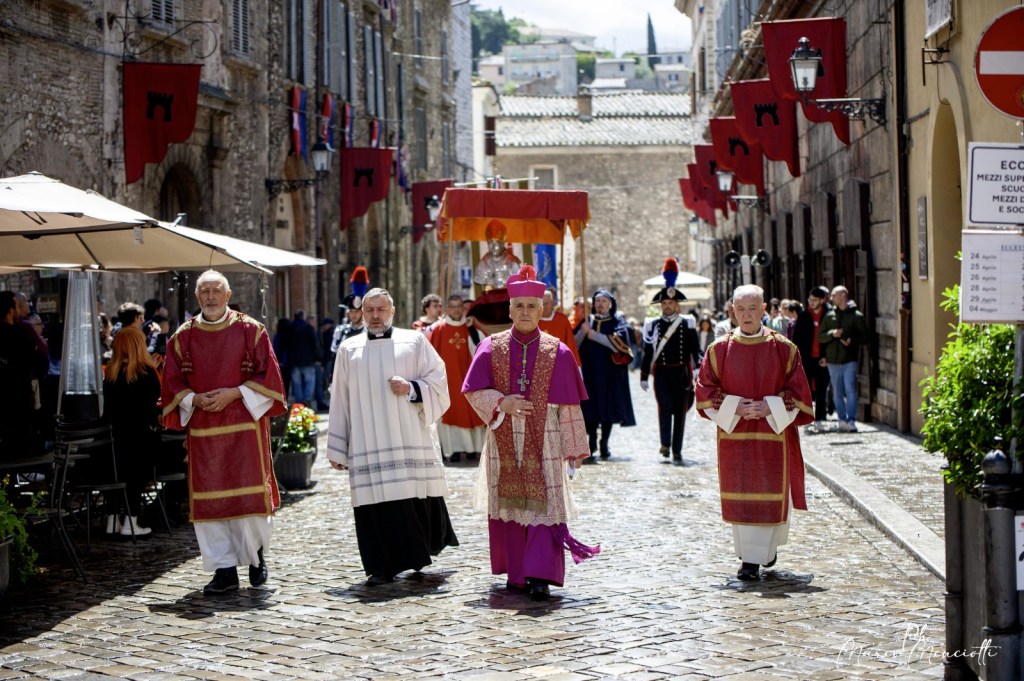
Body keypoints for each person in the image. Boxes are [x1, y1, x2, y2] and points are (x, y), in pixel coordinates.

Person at [462, 264, 600, 601]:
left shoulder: (560, 351)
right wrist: (501, 403)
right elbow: (473, 391)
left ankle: (540, 575)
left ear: (542, 310)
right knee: (510, 506)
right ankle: (517, 574)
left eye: (531, 307)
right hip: (503, 435)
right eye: (519, 306)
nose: (525, 312)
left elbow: (569, 405)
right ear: (510, 310)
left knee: (543, 505)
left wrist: (574, 448)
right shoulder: (490, 347)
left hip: (548, 437)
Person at [160, 270, 287, 594]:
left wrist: (235, 393)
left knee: (248, 500)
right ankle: (224, 570)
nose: (211, 297)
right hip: (205, 434)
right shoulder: (183, 337)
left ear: (228, 295)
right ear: (197, 296)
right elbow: (171, 381)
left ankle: (257, 559)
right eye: (205, 291)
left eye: (217, 291)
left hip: (244, 430)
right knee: (211, 503)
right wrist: (193, 398)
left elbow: (269, 376)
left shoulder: (250, 330)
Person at [327, 287, 459, 585]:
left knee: (408, 499)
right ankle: (380, 566)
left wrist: (412, 388)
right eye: (369, 310)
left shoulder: (413, 341)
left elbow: (438, 380)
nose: (374, 316)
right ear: (362, 312)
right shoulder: (349, 349)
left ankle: (414, 557)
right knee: (373, 504)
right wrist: (337, 447)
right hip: (366, 441)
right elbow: (340, 399)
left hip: (406, 437)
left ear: (392, 312)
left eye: (381, 310)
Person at [695, 284, 813, 581]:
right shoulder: (718, 350)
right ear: (732, 311)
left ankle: (764, 553)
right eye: (740, 309)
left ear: (764, 310)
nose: (746, 315)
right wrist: (734, 407)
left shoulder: (784, 348)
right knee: (743, 495)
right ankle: (750, 560)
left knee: (770, 494)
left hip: (773, 436)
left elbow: (798, 392)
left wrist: (768, 407)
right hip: (735, 438)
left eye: (752, 309)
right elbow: (705, 390)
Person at [102, 326, 158, 537]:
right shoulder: (146, 374)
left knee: (116, 472)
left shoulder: (110, 375)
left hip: (114, 438)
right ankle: (131, 522)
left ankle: (112, 520)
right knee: (136, 475)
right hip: (140, 436)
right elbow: (155, 407)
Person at [640, 270, 701, 465]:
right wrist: (643, 375)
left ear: (677, 305)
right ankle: (665, 444)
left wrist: (699, 369)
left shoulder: (687, 324)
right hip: (662, 372)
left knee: (680, 412)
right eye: (664, 304)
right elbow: (648, 351)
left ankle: (677, 449)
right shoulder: (654, 325)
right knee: (664, 407)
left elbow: (695, 349)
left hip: (682, 372)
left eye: (670, 303)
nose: (667, 307)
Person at [576, 289, 636, 462]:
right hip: (590, 373)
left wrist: (594, 335)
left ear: (610, 303)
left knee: (607, 408)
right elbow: (576, 344)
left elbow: (620, 345)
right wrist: (583, 331)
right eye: (597, 301)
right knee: (590, 408)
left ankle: (604, 442)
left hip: (610, 373)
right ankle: (592, 441)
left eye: (603, 301)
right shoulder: (588, 321)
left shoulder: (618, 322)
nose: (600, 304)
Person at [428, 294, 485, 463]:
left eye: (458, 306)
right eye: (452, 306)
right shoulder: (439, 329)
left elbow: (481, 349)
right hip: (448, 381)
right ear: (447, 309)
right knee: (449, 413)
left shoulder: (471, 328)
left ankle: (473, 449)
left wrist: (472, 331)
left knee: (471, 413)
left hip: (468, 379)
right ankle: (451, 450)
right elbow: (431, 354)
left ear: (463, 308)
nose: (455, 310)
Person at [0, 291, 49, 458]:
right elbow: (41, 363)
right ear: (11, 311)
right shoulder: (20, 334)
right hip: (18, 406)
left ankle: (6, 484)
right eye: (17, 305)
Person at [818, 285, 867, 432]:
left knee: (851, 389)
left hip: (849, 359)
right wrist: (832, 333)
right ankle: (842, 419)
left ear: (843, 296)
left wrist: (851, 340)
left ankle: (851, 420)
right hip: (832, 360)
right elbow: (820, 336)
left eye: (834, 295)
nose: (831, 298)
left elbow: (865, 337)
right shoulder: (829, 315)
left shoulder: (856, 316)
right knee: (837, 392)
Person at [792, 286, 832, 432]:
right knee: (806, 390)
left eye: (815, 300)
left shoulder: (829, 315)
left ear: (822, 300)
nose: (812, 302)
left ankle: (821, 418)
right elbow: (796, 338)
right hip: (806, 359)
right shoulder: (803, 316)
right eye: (810, 299)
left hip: (823, 359)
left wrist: (828, 357)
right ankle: (807, 417)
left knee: (822, 389)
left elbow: (832, 339)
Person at [473, 219, 522, 291]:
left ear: (502, 244)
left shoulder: (512, 262)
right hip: (490, 299)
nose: (492, 247)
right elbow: (480, 280)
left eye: (495, 244)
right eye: (490, 244)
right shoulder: (483, 264)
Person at [538, 288, 581, 366]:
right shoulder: (533, 321)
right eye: (542, 304)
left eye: (547, 303)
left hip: (559, 363)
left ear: (553, 303)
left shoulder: (562, 320)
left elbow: (570, 344)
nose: (544, 307)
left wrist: (575, 366)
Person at [286, 310, 320, 405]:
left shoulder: (290, 328)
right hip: (308, 360)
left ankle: (299, 401)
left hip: (294, 360)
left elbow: (286, 344)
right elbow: (315, 343)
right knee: (309, 380)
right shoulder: (308, 328)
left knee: (296, 382)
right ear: (303, 317)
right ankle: (307, 399)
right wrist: (318, 357)